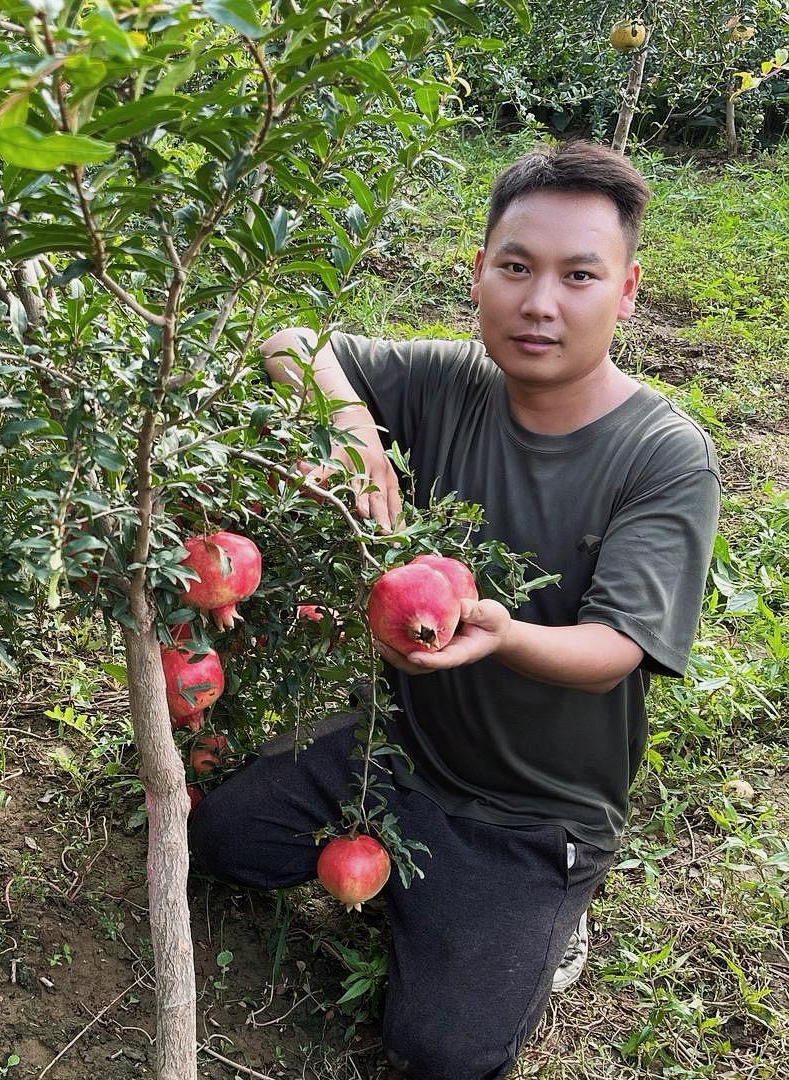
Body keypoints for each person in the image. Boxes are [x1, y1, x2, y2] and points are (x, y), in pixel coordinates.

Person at [188, 140, 720, 1079]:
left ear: (627, 291)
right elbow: (288, 339)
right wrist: (354, 428)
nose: (540, 302)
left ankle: (540, 918)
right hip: (400, 752)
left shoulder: (664, 456)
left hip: (535, 813)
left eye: (579, 275)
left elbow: (614, 650)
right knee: (214, 842)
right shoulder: (446, 382)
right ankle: (413, 885)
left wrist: (506, 633)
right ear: (477, 275)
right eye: (515, 267)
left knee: (437, 1053)